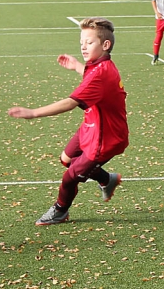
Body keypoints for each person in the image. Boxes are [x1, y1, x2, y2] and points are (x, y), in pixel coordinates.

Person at [8, 17, 127, 226]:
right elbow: (92, 78)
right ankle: (107, 180)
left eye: (89, 43)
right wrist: (77, 66)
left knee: (69, 177)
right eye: (81, 43)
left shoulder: (101, 72)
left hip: (105, 138)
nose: (83, 47)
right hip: (91, 126)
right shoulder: (97, 64)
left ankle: (60, 211)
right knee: (66, 159)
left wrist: (34, 113)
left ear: (105, 45)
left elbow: (71, 102)